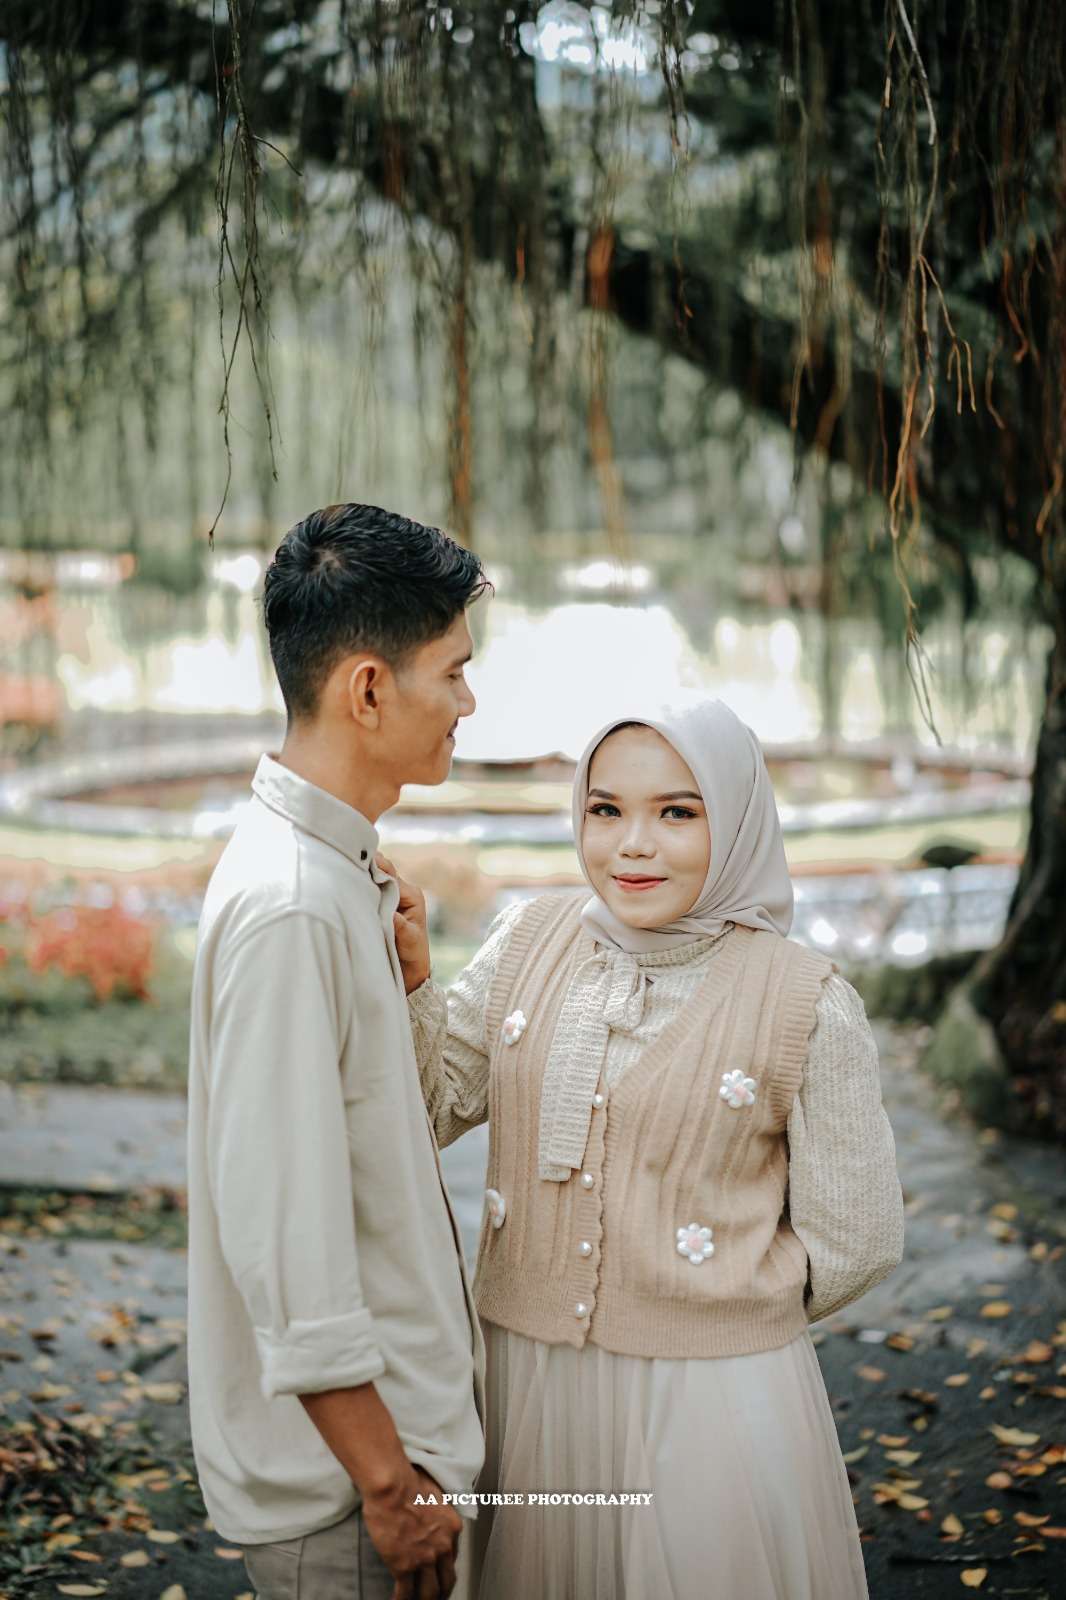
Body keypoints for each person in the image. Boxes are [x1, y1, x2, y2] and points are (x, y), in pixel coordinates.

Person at [395, 700, 905, 1600]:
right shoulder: (527, 944)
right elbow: (428, 1110)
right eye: (606, 809)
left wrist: (711, 1298)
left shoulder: (805, 1003)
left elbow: (857, 1240)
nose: (633, 845)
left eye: (677, 811)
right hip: (528, 1385)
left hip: (712, 1400)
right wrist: (413, 981)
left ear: (736, 819)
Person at [186, 502, 490, 1600]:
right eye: (453, 672)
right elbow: (284, 1234)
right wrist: (386, 1485)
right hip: (349, 1500)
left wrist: (406, 986)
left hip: (380, 1467)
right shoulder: (293, 906)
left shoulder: (330, 878)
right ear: (368, 689)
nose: (468, 702)